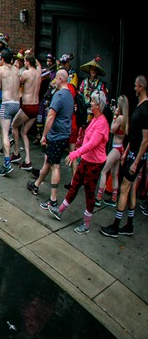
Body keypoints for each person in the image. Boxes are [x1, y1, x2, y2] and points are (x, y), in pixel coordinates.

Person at [48, 90, 109, 233]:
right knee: (74, 185)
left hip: (94, 163)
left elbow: (92, 144)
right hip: (87, 160)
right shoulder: (94, 118)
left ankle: (86, 224)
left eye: (93, 101)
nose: (90, 103)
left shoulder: (102, 123)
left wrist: (75, 153)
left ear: (98, 105)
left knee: (89, 191)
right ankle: (60, 210)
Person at [102, 75, 147, 238]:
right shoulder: (139, 106)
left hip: (137, 157)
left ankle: (115, 226)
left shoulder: (145, 110)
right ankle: (129, 225)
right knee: (132, 189)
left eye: (136, 86)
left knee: (124, 189)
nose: (134, 88)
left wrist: (135, 161)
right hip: (132, 153)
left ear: (141, 87)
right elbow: (135, 136)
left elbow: (145, 140)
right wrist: (127, 150)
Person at [27, 70, 74, 211]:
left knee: (55, 166)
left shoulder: (59, 95)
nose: (54, 80)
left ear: (60, 79)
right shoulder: (69, 96)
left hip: (56, 136)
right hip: (63, 134)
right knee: (48, 161)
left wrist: (44, 135)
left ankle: (53, 200)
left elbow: (51, 117)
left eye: (55, 78)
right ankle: (35, 185)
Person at [11, 54, 42, 172]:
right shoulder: (39, 72)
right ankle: (28, 161)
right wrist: (32, 54)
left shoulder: (26, 73)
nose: (24, 62)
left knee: (14, 126)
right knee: (24, 132)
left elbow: (18, 83)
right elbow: (39, 64)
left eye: (24, 60)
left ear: (28, 62)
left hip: (27, 106)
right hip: (36, 107)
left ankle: (16, 152)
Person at [97, 95, 128, 207]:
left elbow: (112, 129)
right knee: (114, 173)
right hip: (120, 147)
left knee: (104, 171)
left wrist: (114, 116)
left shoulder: (120, 118)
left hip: (116, 148)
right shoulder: (126, 118)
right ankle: (114, 198)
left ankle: (99, 197)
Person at [0, 47, 21, 176]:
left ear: (2, 59)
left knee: (4, 132)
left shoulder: (0, 69)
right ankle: (12, 144)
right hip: (17, 104)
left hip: (7, 103)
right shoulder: (17, 70)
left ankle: (7, 163)